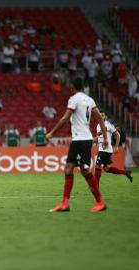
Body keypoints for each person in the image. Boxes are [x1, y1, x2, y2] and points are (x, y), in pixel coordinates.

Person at [46, 77, 109, 212]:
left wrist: (51, 133)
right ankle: (65, 203)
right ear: (83, 86)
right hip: (81, 139)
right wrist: (105, 137)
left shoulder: (74, 99)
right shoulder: (90, 100)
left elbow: (65, 118)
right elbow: (100, 119)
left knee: (85, 170)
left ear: (72, 87)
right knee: (69, 168)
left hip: (81, 140)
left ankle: (100, 202)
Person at [94, 111, 133, 186]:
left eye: (103, 115)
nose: (101, 116)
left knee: (98, 166)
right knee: (107, 169)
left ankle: (96, 187)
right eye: (100, 115)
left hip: (105, 149)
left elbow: (118, 135)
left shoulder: (109, 125)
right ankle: (126, 173)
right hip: (104, 149)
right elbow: (98, 138)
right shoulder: (98, 125)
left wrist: (116, 146)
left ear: (106, 117)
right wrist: (90, 141)